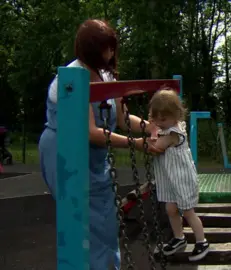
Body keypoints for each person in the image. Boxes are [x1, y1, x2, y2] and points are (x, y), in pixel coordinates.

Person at [38, 19, 162, 270]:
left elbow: (123, 118)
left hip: (93, 156)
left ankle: (107, 266)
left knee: (105, 218)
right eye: (107, 47)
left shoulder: (106, 75)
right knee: (82, 220)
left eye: (112, 47)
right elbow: (90, 132)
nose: (112, 53)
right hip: (64, 153)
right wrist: (137, 144)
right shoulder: (72, 79)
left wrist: (150, 127)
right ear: (93, 49)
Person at [148, 89, 210, 262]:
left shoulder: (173, 133)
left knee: (188, 211)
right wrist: (154, 126)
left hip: (182, 179)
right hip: (170, 179)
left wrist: (151, 133)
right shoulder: (167, 127)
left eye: (163, 119)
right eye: (156, 119)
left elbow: (156, 147)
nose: (159, 123)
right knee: (170, 208)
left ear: (175, 116)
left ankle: (201, 241)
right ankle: (179, 237)